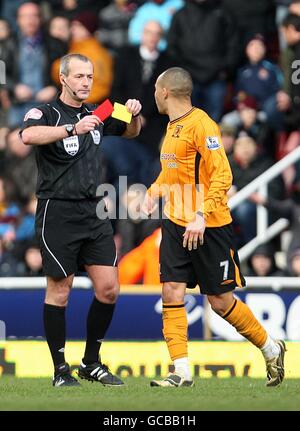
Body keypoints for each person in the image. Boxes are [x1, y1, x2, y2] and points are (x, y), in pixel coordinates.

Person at [142, 67, 286, 388]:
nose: (154, 94)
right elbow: (172, 173)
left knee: (220, 302)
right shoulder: (172, 127)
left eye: (155, 88)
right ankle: (181, 371)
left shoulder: (203, 125)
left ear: (165, 92)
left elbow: (223, 175)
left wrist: (201, 216)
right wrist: (153, 192)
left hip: (209, 225)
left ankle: (271, 347)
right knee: (171, 290)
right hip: (177, 223)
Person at [20, 53, 142, 387]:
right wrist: (72, 128)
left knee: (109, 289)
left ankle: (91, 362)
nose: (86, 82)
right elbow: (27, 137)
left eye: (89, 76)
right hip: (57, 210)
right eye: (79, 77)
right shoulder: (44, 111)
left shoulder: (99, 110)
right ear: (63, 79)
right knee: (60, 291)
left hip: (94, 210)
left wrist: (133, 114)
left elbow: (132, 132)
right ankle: (60, 369)